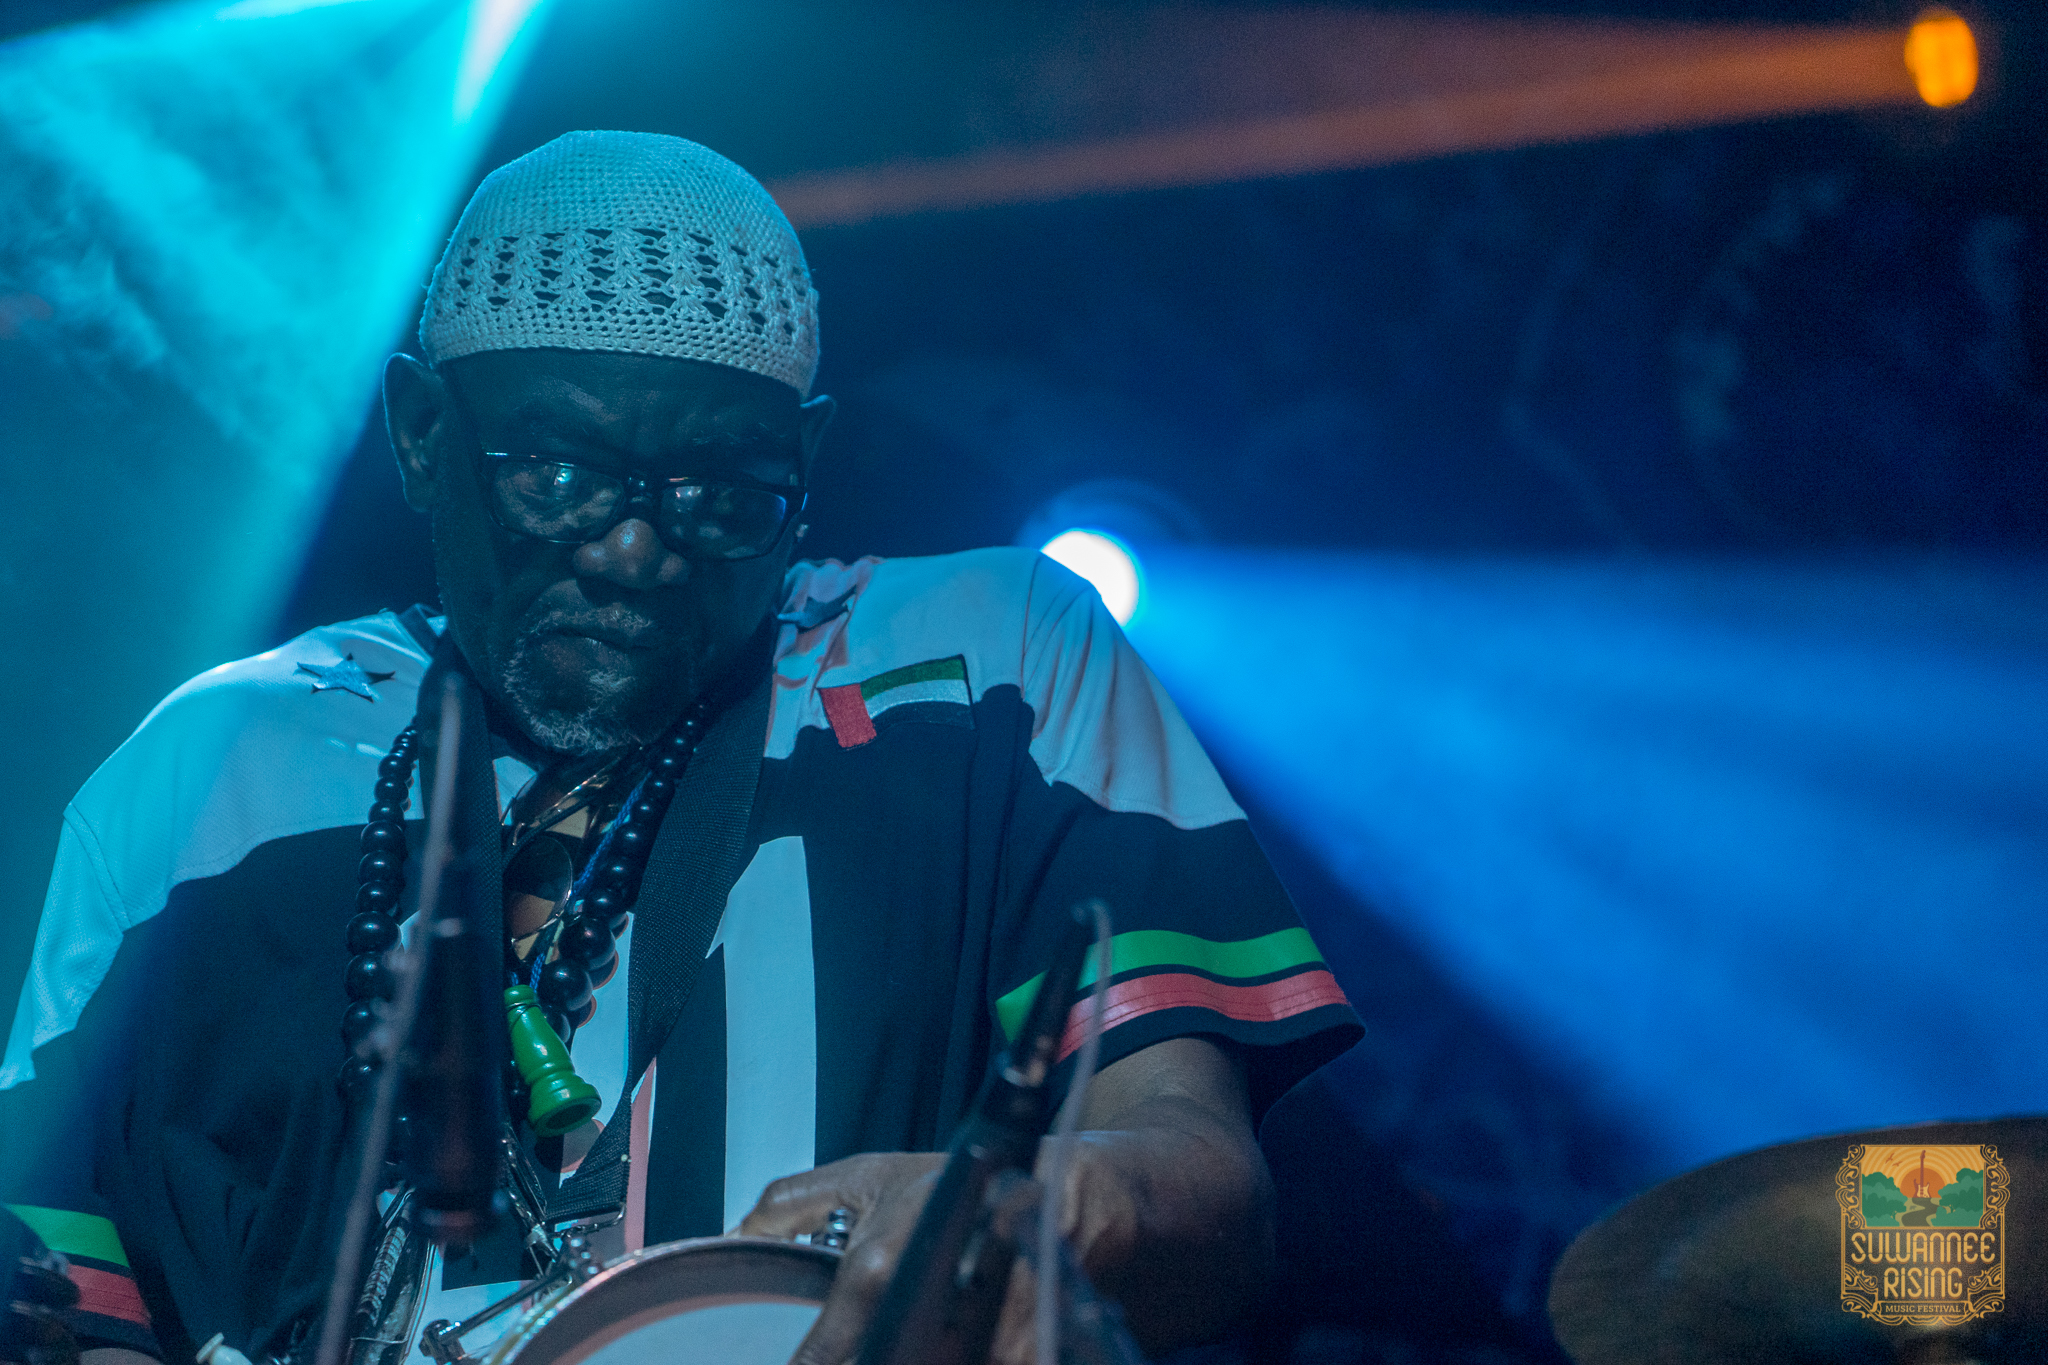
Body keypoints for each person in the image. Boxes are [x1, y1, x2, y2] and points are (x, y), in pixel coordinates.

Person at [0, 131, 1359, 1365]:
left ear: (806, 462)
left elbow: (1207, 1177)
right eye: (558, 475)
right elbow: (66, 1294)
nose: (637, 550)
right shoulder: (210, 765)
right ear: (421, 436)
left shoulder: (991, 662)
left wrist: (1052, 1203)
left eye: (722, 492)